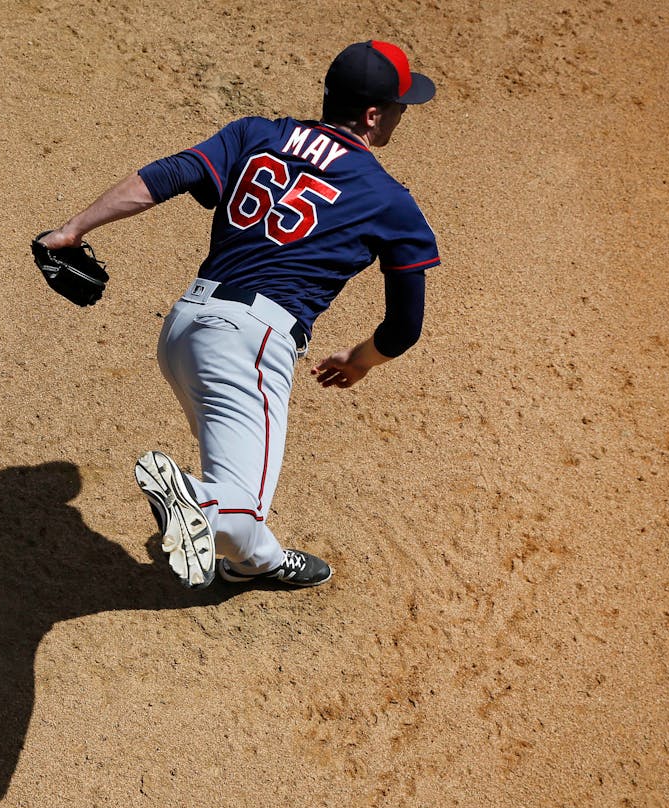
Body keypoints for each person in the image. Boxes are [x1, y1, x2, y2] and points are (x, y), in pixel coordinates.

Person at [40, 40, 440, 589]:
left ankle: (255, 563)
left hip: (184, 329)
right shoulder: (389, 199)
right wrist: (361, 359)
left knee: (243, 511)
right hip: (249, 347)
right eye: (399, 105)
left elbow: (170, 174)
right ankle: (197, 504)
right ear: (373, 115)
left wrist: (74, 229)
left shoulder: (257, 134)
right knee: (234, 509)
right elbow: (405, 327)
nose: (401, 114)